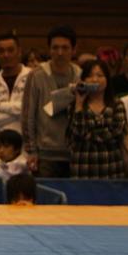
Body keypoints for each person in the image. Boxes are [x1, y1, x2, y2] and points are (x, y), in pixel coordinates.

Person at [22, 25, 81, 178]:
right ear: (49, 49)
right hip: (45, 156)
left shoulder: (80, 75)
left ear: (74, 50)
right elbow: (28, 116)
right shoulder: (36, 76)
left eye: (65, 48)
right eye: (55, 47)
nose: (60, 52)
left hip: (74, 154)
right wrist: (32, 151)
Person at [67, 59, 128, 179]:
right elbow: (77, 132)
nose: (95, 79)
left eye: (100, 75)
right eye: (90, 76)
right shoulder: (74, 105)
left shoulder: (117, 104)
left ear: (107, 79)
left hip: (111, 167)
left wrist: (88, 135)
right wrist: (79, 102)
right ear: (83, 80)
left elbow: (117, 133)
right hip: (83, 167)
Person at [0, 32, 31, 159]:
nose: (6, 55)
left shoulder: (33, 78)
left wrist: (2, 107)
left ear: (19, 52)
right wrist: (19, 113)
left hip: (26, 147)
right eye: (1, 51)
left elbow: (32, 110)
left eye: (10, 50)